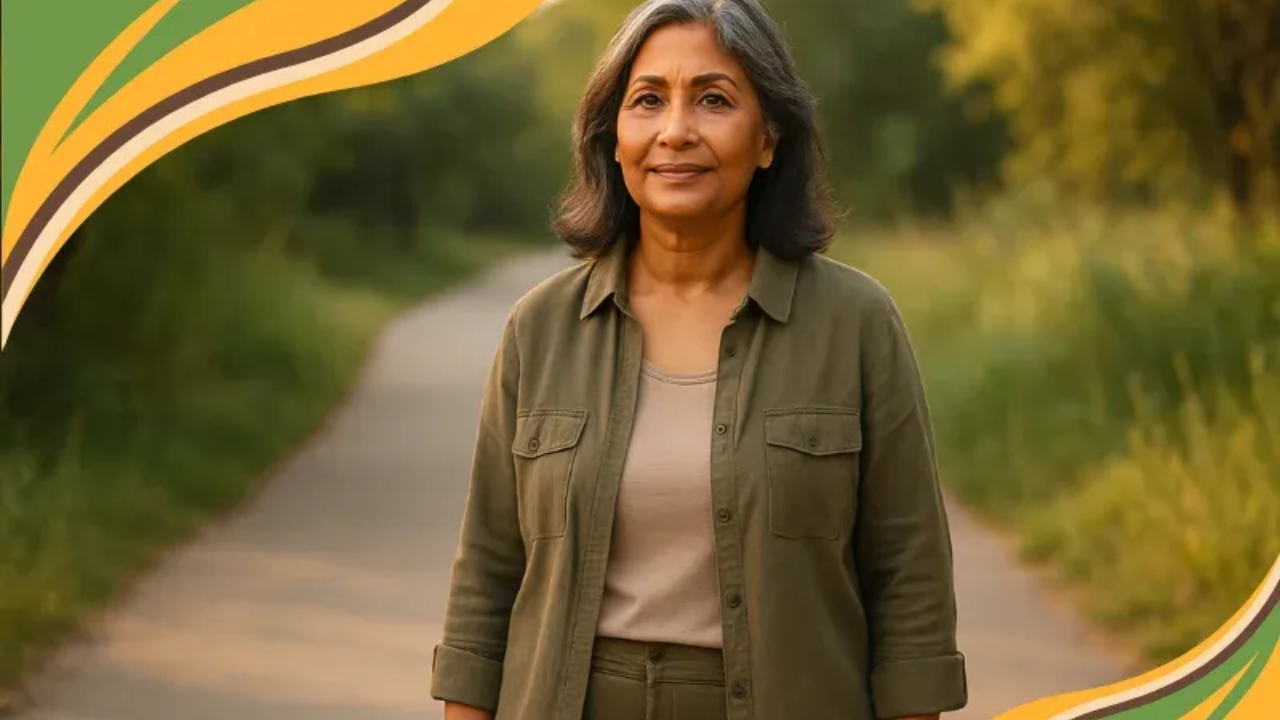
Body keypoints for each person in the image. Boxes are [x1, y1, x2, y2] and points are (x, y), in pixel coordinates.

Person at [430, 1, 968, 718]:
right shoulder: (542, 328)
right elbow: (487, 582)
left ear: (769, 136)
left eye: (713, 100)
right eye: (648, 100)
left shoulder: (856, 325)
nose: (675, 131)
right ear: (613, 136)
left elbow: (911, 587)